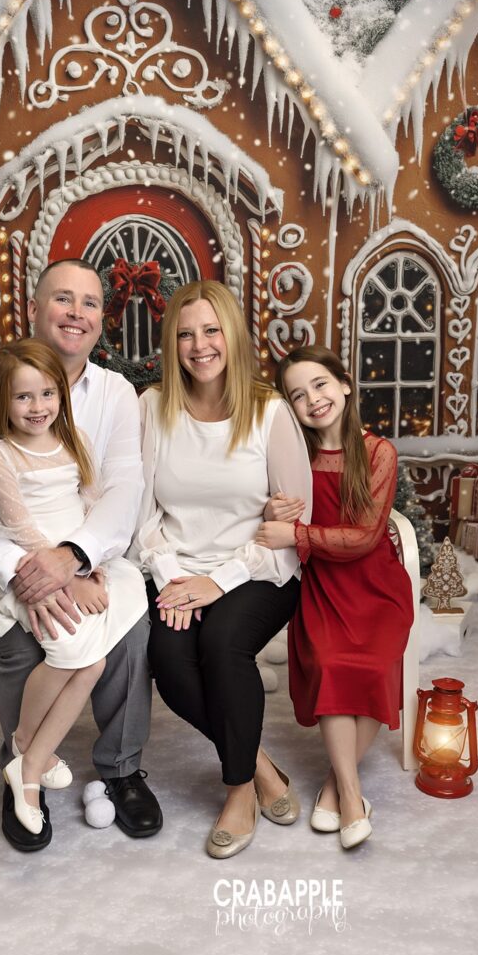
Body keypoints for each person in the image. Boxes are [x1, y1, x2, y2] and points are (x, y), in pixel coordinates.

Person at [0, 259, 162, 851]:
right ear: (35, 309)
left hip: (84, 552)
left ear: (100, 321)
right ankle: (25, 772)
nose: (76, 313)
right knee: (24, 643)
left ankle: (119, 769)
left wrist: (74, 560)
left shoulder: (115, 393)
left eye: (90, 303)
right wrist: (22, 575)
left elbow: (119, 489)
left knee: (129, 634)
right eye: (62, 299)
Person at [131, 280, 313, 859]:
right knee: (167, 659)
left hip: (258, 572)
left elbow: (291, 529)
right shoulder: (152, 408)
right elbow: (143, 517)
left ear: (231, 336)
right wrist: (172, 581)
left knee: (224, 643)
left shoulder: (270, 413)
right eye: (185, 334)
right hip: (177, 574)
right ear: (171, 343)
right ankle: (259, 766)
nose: (199, 345)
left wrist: (218, 583)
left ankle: (236, 790)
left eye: (211, 330)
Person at [0, 339, 148, 835]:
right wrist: (64, 580)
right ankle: (28, 761)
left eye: (47, 394)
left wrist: (90, 568)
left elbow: (92, 509)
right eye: (23, 397)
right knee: (79, 656)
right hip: (34, 572)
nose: (38, 407)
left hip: (75, 563)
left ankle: (28, 749)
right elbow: (21, 529)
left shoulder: (72, 443)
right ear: (2, 401)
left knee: (114, 627)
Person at [256, 344, 413, 850]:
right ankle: (350, 792)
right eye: (298, 395)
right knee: (327, 661)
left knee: (372, 665)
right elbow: (268, 510)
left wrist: (297, 537)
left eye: (320, 385)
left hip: (374, 585)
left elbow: (366, 536)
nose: (313, 400)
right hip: (323, 585)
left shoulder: (377, 452)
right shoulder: (294, 457)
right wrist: (274, 509)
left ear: (345, 383)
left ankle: (337, 788)